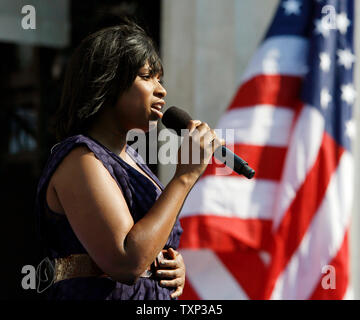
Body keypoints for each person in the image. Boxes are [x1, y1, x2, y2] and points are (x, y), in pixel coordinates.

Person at [35, 19, 223, 300]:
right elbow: (127, 260)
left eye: (160, 78)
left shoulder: (133, 160)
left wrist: (167, 264)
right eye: (147, 76)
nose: (161, 90)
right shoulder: (80, 159)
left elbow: (147, 246)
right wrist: (184, 177)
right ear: (109, 81)